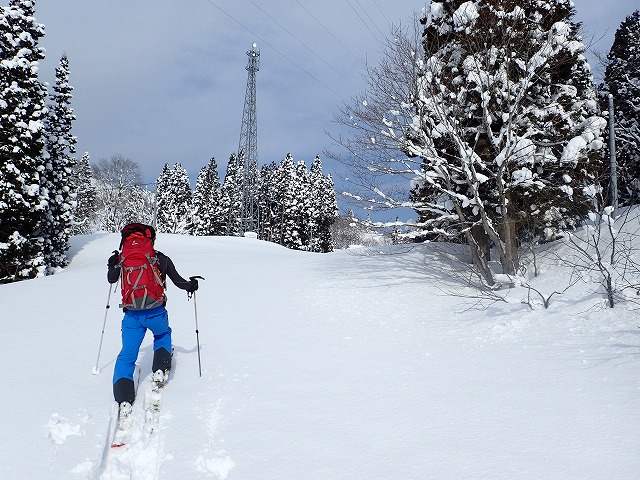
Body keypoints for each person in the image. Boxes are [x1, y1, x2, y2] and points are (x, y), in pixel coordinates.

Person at [107, 223, 198, 406]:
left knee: (128, 353)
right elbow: (179, 281)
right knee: (162, 335)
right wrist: (192, 285)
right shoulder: (159, 258)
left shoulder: (121, 259)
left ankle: (123, 396)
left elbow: (111, 279)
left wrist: (112, 264)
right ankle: (160, 368)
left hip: (132, 315)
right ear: (151, 240)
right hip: (156, 311)